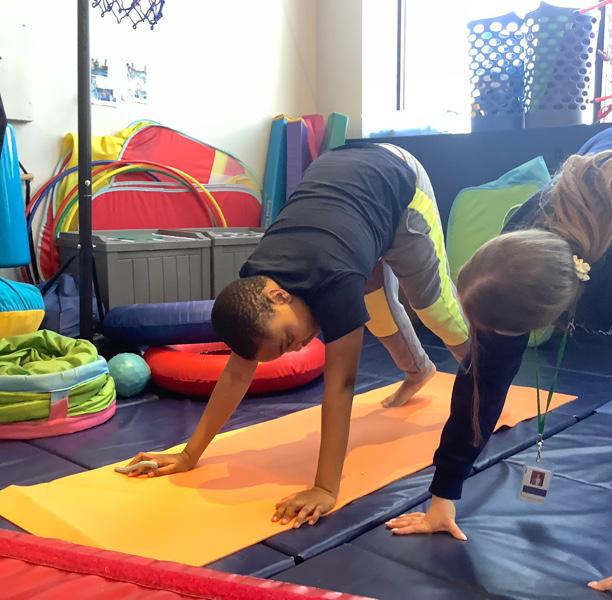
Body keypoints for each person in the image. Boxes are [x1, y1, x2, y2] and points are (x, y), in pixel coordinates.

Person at [386, 120, 612, 600]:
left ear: (552, 316)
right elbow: (482, 376)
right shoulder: (521, 231)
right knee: (489, 361)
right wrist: (443, 494)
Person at [124, 142, 470, 528]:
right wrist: (190, 455)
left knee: (434, 309)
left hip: (398, 181)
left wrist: (324, 488)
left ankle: (487, 380)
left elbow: (341, 386)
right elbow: (238, 373)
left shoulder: (334, 282)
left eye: (290, 340)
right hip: (348, 200)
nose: (303, 345)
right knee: (374, 307)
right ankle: (418, 372)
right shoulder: (256, 288)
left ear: (279, 294)